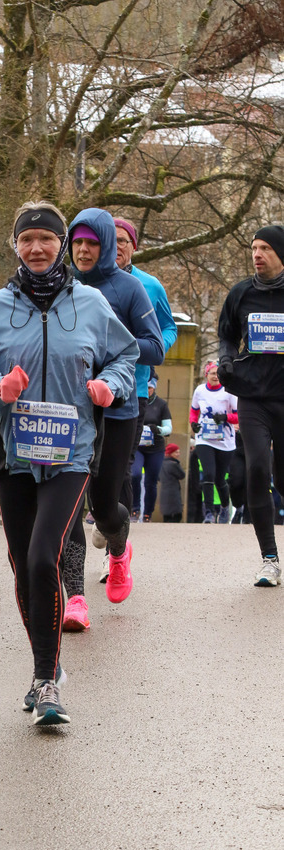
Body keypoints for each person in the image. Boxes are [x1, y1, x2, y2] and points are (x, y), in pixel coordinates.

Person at [0, 201, 137, 725]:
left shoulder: (92, 305)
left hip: (71, 453)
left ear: (61, 246)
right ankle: (42, 667)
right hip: (12, 458)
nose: (36, 248)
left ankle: (46, 682)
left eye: (46, 240)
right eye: (27, 239)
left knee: (41, 559)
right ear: (16, 246)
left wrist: (107, 387)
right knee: (22, 569)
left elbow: (126, 356)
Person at [60, 209, 164, 630]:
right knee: (67, 505)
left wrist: (109, 341)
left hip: (118, 408)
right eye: (77, 243)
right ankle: (76, 599)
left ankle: (119, 552)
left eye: (92, 243)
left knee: (104, 507)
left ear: (105, 244)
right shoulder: (60, 283)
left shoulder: (130, 288)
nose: (83, 251)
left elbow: (155, 347)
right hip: (69, 408)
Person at [218, 222, 284, 585]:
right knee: (258, 467)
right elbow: (227, 336)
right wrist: (227, 360)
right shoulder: (241, 293)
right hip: (253, 396)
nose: (257, 255)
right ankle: (269, 559)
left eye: (265, 249)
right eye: (254, 248)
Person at [114, 218, 178, 355]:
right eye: (110, 240)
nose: (115, 246)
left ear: (134, 247)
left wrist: (156, 348)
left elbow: (169, 327)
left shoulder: (151, 285)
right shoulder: (89, 281)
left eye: (121, 241)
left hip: (138, 374)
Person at [190, 361, 238, 523]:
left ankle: (224, 507)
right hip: (204, 438)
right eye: (212, 373)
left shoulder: (229, 391)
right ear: (206, 375)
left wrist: (226, 417)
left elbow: (238, 416)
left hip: (225, 440)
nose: (215, 376)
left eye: (218, 373)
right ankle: (209, 513)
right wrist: (193, 424)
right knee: (208, 473)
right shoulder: (200, 391)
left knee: (219, 478)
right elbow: (194, 411)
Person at [131, 377, 172, 521]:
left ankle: (148, 512)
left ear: (154, 388)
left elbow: (169, 428)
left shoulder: (161, 404)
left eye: (150, 388)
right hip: (138, 447)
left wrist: (158, 429)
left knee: (151, 481)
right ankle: (135, 509)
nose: (147, 391)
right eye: (145, 387)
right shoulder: (135, 401)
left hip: (155, 448)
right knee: (135, 475)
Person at [159, 443, 185, 522]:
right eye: (176, 452)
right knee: (177, 516)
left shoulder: (161, 464)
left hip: (164, 491)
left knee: (166, 516)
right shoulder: (173, 464)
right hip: (173, 492)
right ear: (170, 453)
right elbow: (182, 475)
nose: (178, 454)